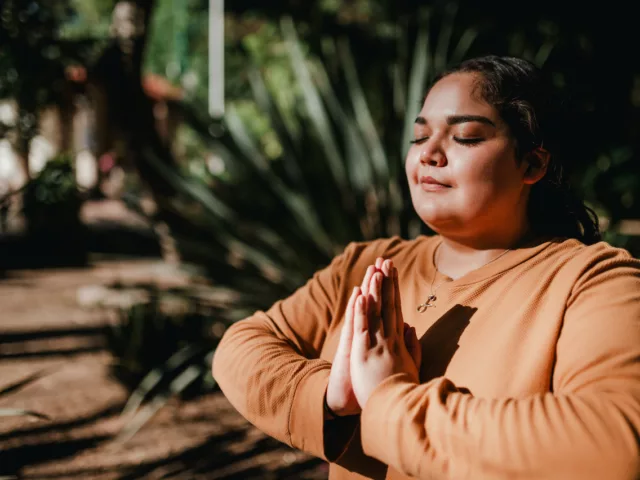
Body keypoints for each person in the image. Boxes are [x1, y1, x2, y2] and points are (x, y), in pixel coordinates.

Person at [212, 55, 640, 479]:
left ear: (532, 163)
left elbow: (616, 443)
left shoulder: (594, 282)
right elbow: (240, 347)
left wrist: (388, 399)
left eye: (466, 137)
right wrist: (328, 396)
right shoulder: (366, 264)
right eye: (419, 137)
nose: (430, 154)